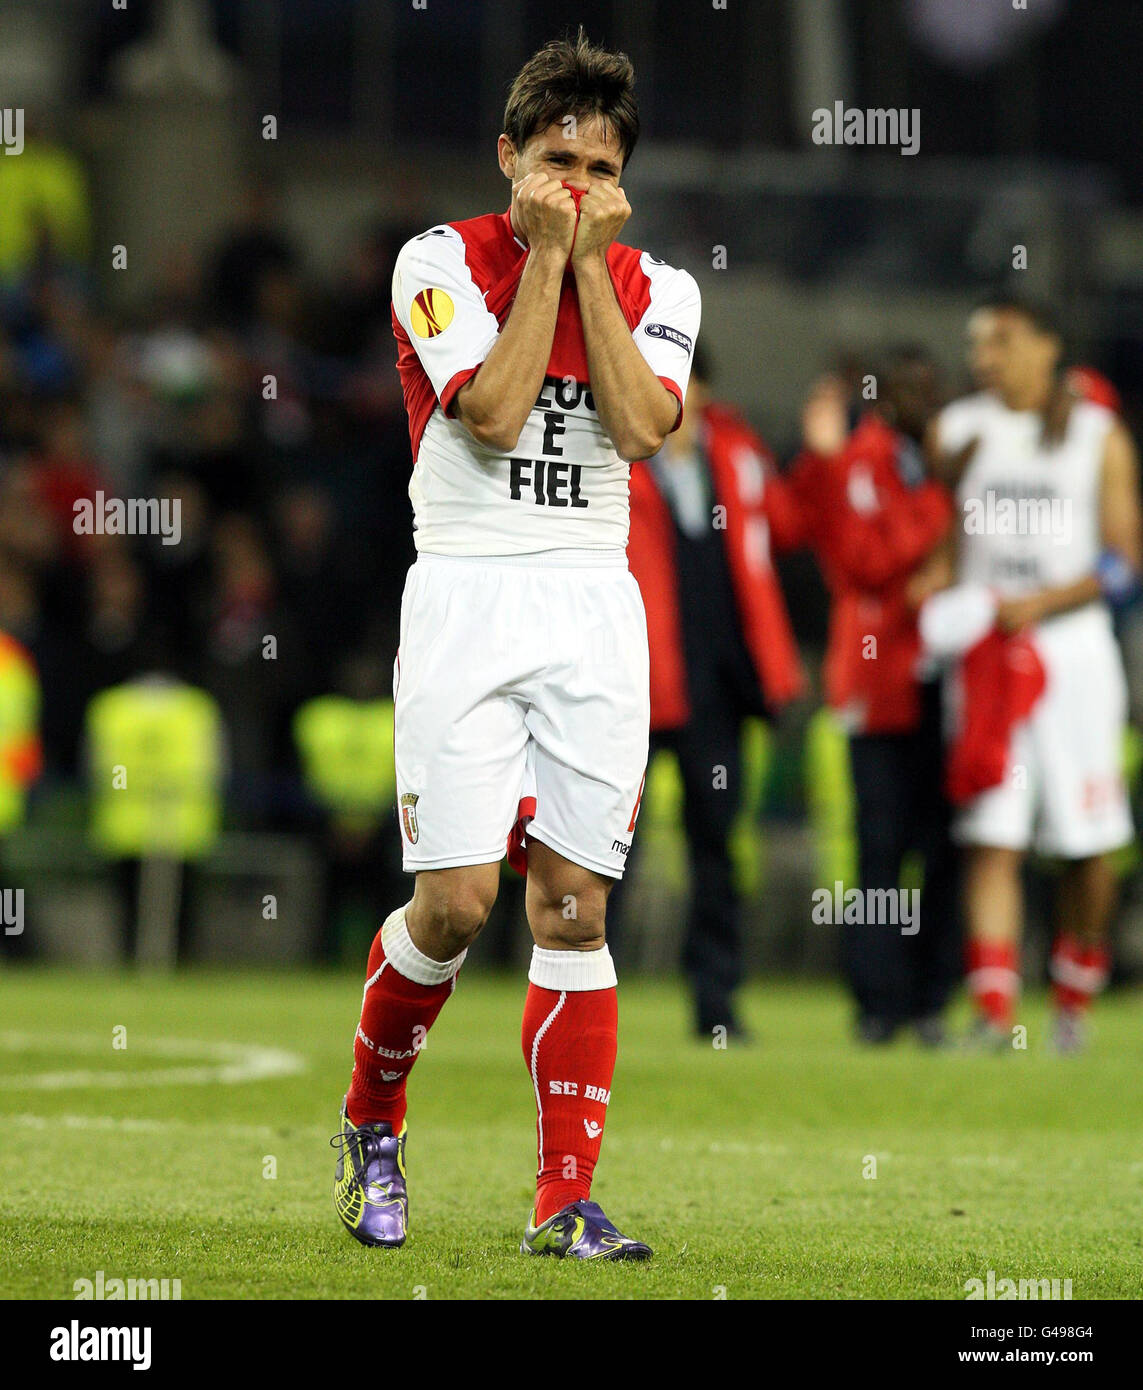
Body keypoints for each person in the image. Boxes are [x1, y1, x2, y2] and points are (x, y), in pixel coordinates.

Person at [331, 30, 700, 1260]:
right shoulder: (437, 260)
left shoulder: (664, 288)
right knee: (454, 906)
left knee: (574, 906)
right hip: (469, 595)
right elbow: (488, 415)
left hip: (594, 606)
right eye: (556, 160)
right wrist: (548, 256)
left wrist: (586, 265)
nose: (577, 186)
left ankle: (564, 1200)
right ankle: (372, 1122)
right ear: (508, 155)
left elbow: (644, 431)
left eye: (600, 167)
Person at [930, 296, 1142, 1052]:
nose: (986, 355)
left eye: (1003, 340)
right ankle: (993, 1013)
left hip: (1072, 654)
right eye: (977, 341)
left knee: (1087, 842)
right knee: (993, 835)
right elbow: (942, 544)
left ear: (1048, 345)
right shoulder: (958, 430)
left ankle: (1073, 996)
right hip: (987, 656)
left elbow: (1122, 564)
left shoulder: (1094, 436)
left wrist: (1040, 601)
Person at [626, 344, 804, 1039]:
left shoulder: (736, 454)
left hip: (718, 685)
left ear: (698, 390)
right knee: (608, 850)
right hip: (635, 680)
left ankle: (716, 1005)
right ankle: (581, 1001)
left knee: (717, 848)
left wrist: (820, 460)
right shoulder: (615, 453)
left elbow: (789, 529)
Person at [790, 349, 961, 1044]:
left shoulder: (933, 463)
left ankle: (929, 1000)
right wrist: (938, 518)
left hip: (941, 679)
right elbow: (865, 560)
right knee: (881, 849)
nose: (924, 400)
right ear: (883, 399)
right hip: (878, 679)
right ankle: (877, 1002)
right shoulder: (865, 462)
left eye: (930, 386)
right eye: (909, 389)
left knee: (946, 845)